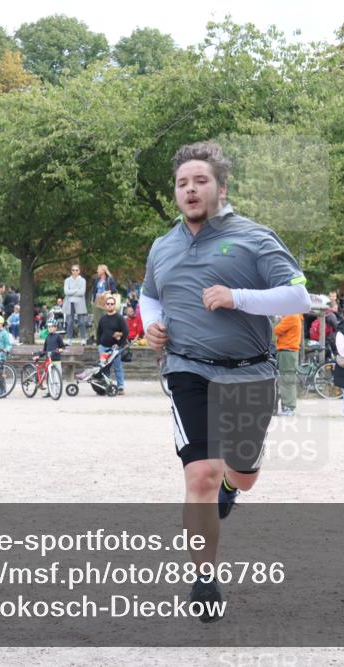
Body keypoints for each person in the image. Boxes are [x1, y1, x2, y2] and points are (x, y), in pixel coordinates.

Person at [139, 141, 309, 622]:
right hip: (188, 369)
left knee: (243, 475)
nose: (190, 190)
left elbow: (299, 297)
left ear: (222, 188)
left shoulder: (255, 238)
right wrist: (152, 325)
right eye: (182, 183)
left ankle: (234, 484)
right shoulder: (163, 245)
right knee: (201, 475)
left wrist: (238, 297)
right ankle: (204, 578)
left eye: (200, 181)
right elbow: (150, 296)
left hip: (250, 371)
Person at [96, 293, 127, 394]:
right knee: (104, 367)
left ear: (114, 305)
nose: (110, 305)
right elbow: (99, 332)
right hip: (103, 347)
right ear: (105, 305)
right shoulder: (103, 318)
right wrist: (99, 344)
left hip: (115, 348)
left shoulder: (119, 318)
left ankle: (121, 386)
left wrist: (120, 344)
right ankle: (107, 385)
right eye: (108, 304)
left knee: (117, 367)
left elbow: (126, 332)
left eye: (112, 304)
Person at [274, 313, 303, 416]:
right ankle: (288, 407)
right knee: (287, 379)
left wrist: (279, 320)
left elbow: (277, 330)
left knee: (286, 380)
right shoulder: (295, 316)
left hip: (287, 352)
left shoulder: (291, 316)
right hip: (289, 352)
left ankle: (288, 407)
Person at [63, 264, 88, 340]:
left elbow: (82, 292)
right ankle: (69, 338)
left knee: (81, 322)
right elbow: (66, 292)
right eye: (73, 270)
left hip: (80, 303)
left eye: (76, 270)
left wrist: (71, 291)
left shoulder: (83, 280)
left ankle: (83, 338)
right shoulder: (67, 280)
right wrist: (76, 290)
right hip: (69, 302)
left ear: (79, 271)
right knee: (70, 322)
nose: (75, 272)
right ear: (71, 271)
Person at [92, 264, 117, 333]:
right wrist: (93, 300)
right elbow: (94, 290)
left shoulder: (110, 279)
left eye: (98, 269)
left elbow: (114, 290)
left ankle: (108, 334)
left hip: (106, 300)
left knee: (108, 318)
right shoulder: (97, 280)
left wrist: (105, 292)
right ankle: (98, 335)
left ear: (103, 271)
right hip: (97, 300)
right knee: (96, 319)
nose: (97, 271)